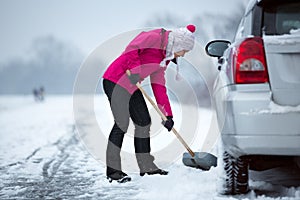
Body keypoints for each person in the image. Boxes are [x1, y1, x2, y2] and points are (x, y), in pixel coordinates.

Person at [102, 24, 196, 183]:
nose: (183, 55)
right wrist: (136, 71)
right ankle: (113, 171)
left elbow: (159, 86)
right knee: (121, 123)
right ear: (178, 45)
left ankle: (146, 166)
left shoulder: (164, 59)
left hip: (132, 85)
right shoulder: (155, 37)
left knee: (144, 122)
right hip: (115, 80)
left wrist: (168, 115)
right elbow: (132, 48)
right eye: (184, 51)